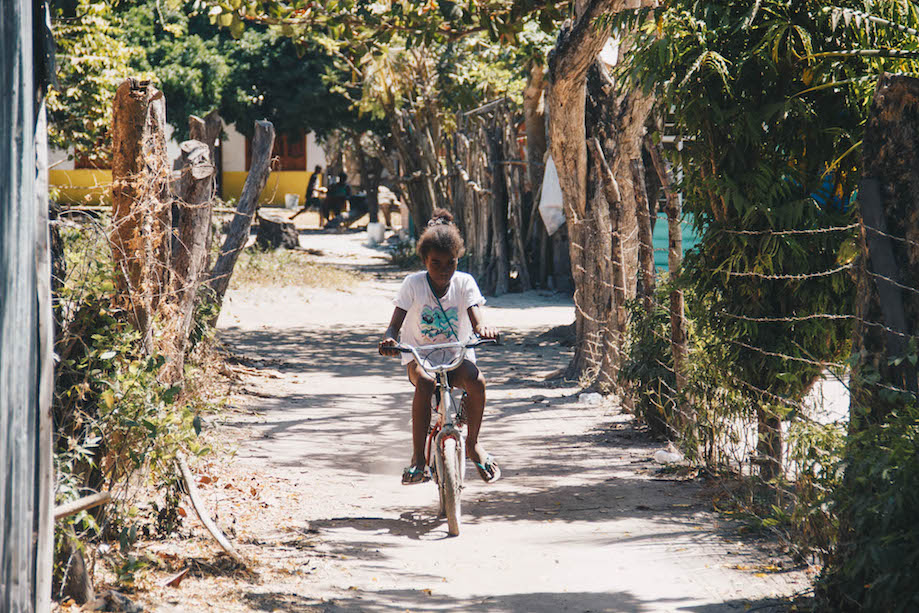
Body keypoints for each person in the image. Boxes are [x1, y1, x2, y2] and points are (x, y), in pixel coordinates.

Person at [379, 209, 501, 485]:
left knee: (477, 381)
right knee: (423, 384)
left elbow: (476, 317)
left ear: (458, 260)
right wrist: (390, 339)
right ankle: (418, 460)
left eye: (451, 263)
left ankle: (473, 445)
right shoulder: (413, 284)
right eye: (436, 263)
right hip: (419, 358)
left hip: (455, 357)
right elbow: (394, 325)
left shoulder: (465, 282)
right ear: (424, 261)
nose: (444, 270)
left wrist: (484, 329)